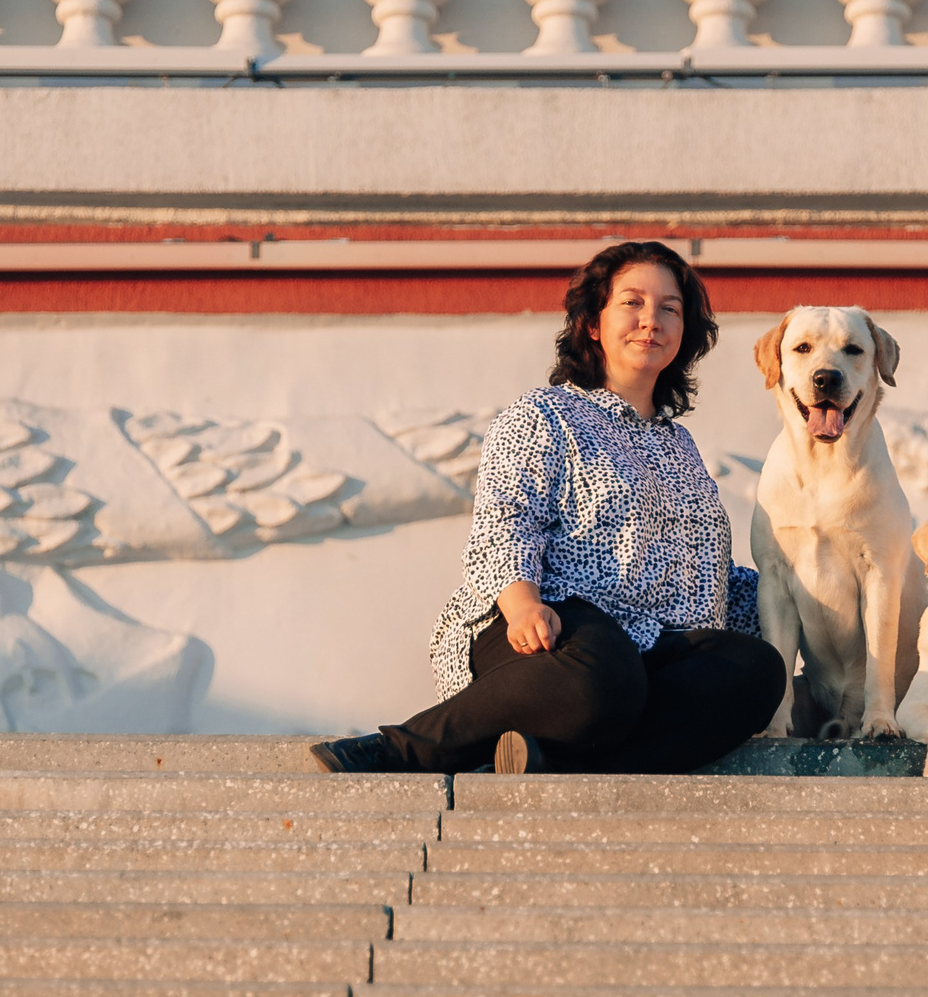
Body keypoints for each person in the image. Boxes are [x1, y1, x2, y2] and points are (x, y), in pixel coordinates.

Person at [311, 240, 785, 775]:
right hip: (547, 630)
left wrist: (801, 598)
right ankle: (400, 748)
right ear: (592, 324)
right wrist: (521, 605)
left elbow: (710, 576)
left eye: (670, 309)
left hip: (652, 649)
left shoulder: (681, 448)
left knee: (756, 671)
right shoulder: (545, 413)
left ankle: (550, 763)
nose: (651, 319)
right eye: (632, 303)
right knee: (603, 674)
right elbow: (505, 519)